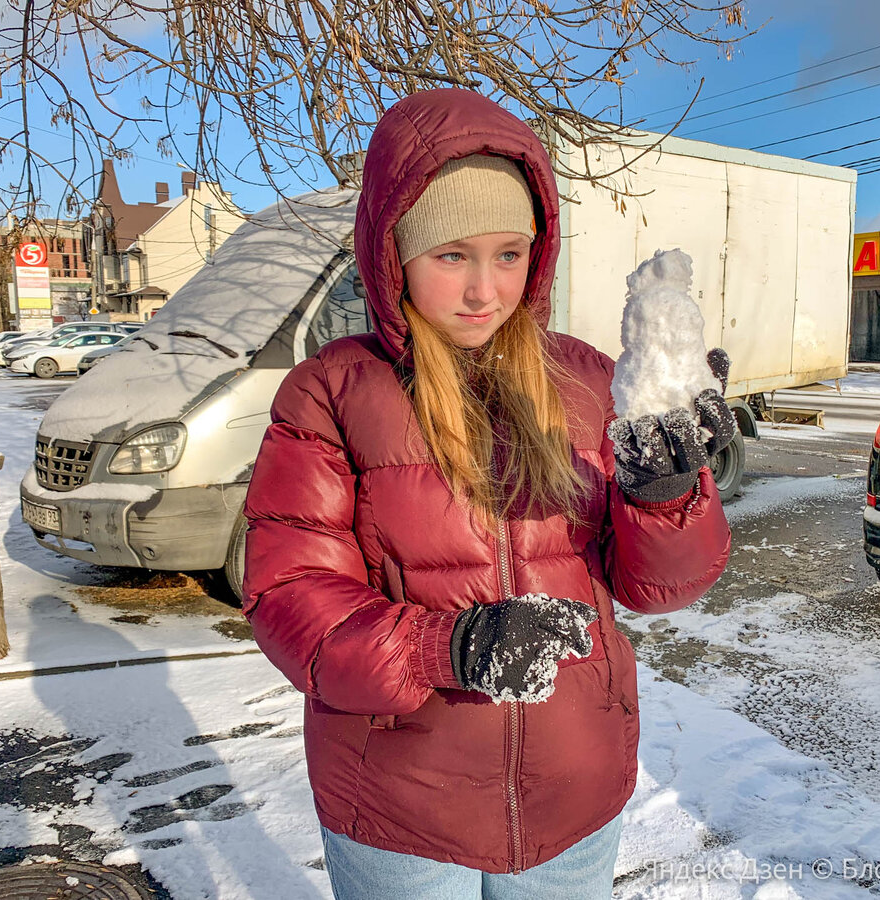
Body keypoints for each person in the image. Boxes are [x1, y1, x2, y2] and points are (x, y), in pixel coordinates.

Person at [242, 88, 734, 899]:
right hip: (402, 806)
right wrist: (448, 647)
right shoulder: (330, 392)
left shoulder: (586, 380)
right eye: (451, 256)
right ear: (393, 252)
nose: (484, 291)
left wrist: (667, 496)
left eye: (509, 254)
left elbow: (659, 587)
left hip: (574, 793)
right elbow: (290, 595)